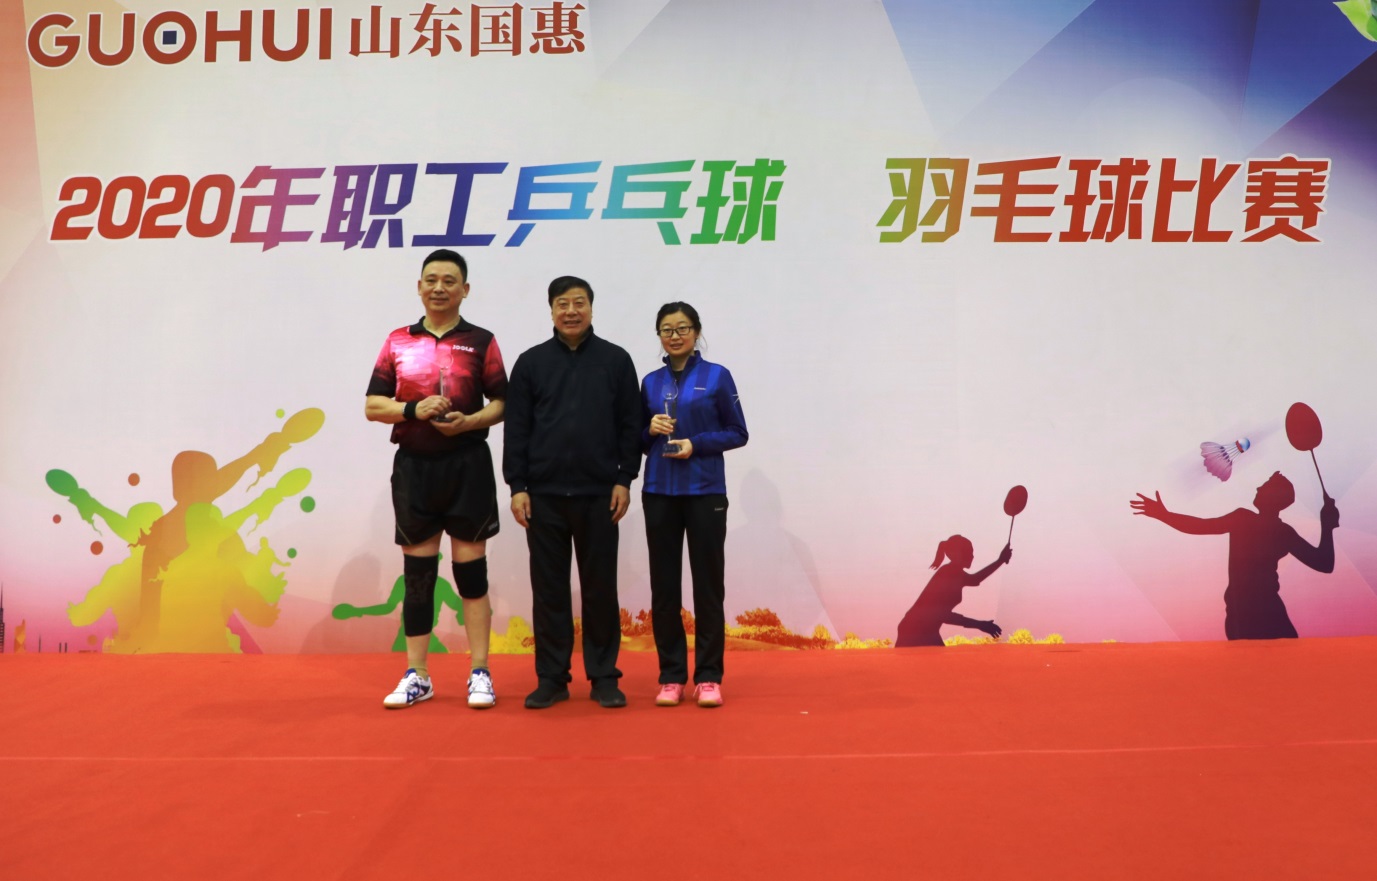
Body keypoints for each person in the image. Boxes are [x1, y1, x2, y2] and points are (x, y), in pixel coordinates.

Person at [365, 249, 507, 709]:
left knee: (471, 573)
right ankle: (417, 674)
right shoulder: (397, 341)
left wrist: (468, 423)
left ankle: (480, 672)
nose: (439, 288)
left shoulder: (482, 341)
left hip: (468, 467)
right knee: (419, 576)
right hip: (415, 469)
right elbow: (372, 406)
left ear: (465, 289)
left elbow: (503, 403)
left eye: (449, 280)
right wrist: (413, 409)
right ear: (419, 287)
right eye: (431, 280)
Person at [503, 276, 642, 709]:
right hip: (543, 496)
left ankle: (604, 677)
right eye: (562, 303)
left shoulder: (616, 360)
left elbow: (631, 425)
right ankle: (552, 678)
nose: (571, 311)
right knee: (549, 592)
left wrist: (624, 479)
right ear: (551, 310)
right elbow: (517, 429)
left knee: (600, 590)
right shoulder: (531, 363)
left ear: (591, 308)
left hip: (600, 495)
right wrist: (517, 486)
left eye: (579, 303)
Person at [640, 303, 748, 707]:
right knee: (664, 587)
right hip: (659, 492)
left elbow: (738, 432)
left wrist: (696, 444)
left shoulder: (717, 376)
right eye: (666, 329)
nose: (675, 336)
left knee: (708, 586)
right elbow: (636, 440)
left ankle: (708, 677)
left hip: (705, 491)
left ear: (697, 331)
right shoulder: (650, 382)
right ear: (659, 336)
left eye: (683, 328)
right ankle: (671, 677)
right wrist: (649, 429)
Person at [1130, 473, 1339, 639]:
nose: (1258, 488)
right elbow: (1324, 563)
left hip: (1243, 614)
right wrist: (1327, 526)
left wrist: (1164, 515)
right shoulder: (1282, 532)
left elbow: (1200, 526)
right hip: (1266, 612)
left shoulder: (1243, 519)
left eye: (1265, 486)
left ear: (1273, 497)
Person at [895, 536, 1009, 647]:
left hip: (925, 630)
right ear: (957, 554)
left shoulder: (953, 572)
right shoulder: (948, 573)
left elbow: (975, 579)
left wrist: (1001, 560)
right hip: (916, 630)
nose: (972, 556)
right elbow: (942, 615)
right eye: (969, 552)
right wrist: (979, 624)